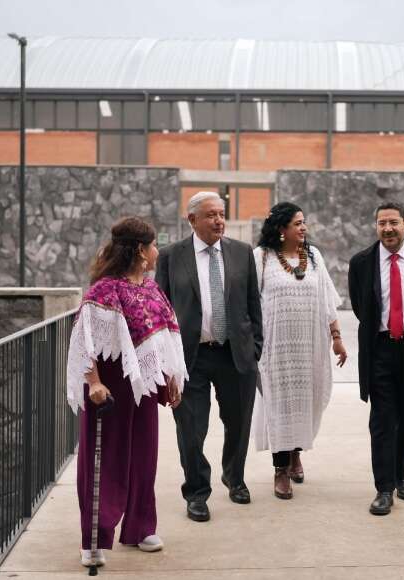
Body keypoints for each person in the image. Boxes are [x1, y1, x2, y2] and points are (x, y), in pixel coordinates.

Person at [66, 216, 187, 568]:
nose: (157, 251)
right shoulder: (105, 290)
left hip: (143, 389)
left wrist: (170, 378)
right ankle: (94, 538)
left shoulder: (151, 289)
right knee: (103, 461)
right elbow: (85, 342)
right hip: (110, 390)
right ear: (139, 249)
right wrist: (94, 383)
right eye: (152, 245)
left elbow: (164, 337)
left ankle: (139, 527)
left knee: (143, 458)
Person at [156, 191, 264, 522]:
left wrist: (255, 346)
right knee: (191, 428)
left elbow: (252, 305)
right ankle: (197, 493)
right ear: (192, 220)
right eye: (211, 215)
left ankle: (234, 476)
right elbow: (161, 309)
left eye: (221, 214)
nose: (219, 221)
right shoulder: (171, 256)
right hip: (191, 358)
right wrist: (165, 360)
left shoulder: (242, 252)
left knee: (238, 424)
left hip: (236, 355)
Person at [348, 202, 404, 516]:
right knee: (383, 420)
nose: (387, 229)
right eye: (382, 223)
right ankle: (384, 488)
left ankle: (402, 474)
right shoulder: (361, 263)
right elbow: (362, 308)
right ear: (376, 227)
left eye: (393, 223)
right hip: (381, 349)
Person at [251, 202, 347, 499]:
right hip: (275, 350)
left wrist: (336, 337)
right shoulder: (261, 258)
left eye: (304, 222)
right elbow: (250, 304)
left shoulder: (314, 257)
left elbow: (328, 300)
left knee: (305, 402)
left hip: (310, 347)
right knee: (278, 406)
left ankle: (296, 453)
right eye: (297, 223)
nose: (303, 228)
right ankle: (280, 469)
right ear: (281, 229)